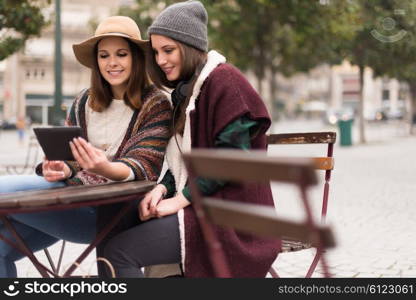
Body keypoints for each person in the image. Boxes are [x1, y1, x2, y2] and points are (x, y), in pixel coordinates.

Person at [104, 1, 280, 278]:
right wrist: (162, 189)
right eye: (156, 52)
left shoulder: (226, 82)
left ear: (190, 47)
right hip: (204, 207)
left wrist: (180, 200)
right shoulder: (187, 96)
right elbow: (183, 165)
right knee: (115, 226)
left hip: (232, 220)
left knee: (117, 254)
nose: (161, 60)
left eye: (168, 50)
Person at [0, 16, 172, 277]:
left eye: (121, 54)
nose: (111, 63)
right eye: (103, 56)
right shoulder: (84, 101)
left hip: (111, 211)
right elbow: (72, 161)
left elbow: (144, 166)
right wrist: (61, 168)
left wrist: (105, 167)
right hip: (69, 200)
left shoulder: (156, 103)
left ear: (136, 58)